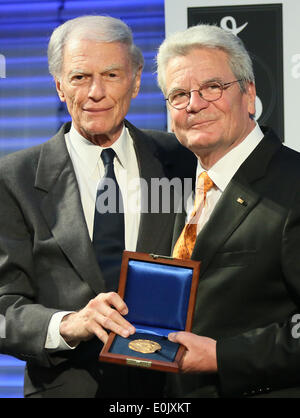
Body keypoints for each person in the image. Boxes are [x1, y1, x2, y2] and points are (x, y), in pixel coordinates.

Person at [0, 15, 196, 398]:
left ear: (136, 82)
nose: (96, 92)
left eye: (111, 75)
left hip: (169, 392)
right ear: (58, 86)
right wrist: (69, 323)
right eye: (79, 77)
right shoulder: (15, 178)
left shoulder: (181, 159)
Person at [156, 23, 300, 398]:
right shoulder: (169, 185)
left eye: (212, 87)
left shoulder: (294, 184)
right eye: (178, 94)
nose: (194, 104)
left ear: (249, 94)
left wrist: (224, 355)